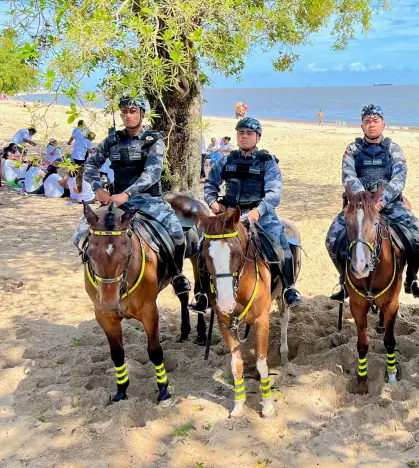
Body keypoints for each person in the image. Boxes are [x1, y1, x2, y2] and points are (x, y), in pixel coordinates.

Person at [71, 95, 191, 298]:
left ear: (142, 114)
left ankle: (178, 275)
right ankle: (98, 274)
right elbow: (91, 164)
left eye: (133, 111)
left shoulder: (154, 140)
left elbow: (152, 173)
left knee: (177, 234)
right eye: (125, 111)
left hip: (148, 201)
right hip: (115, 202)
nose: (128, 115)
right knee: (79, 234)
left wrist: (127, 194)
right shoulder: (112, 140)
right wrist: (98, 187)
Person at [325, 104, 419, 301]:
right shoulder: (353, 150)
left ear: (383, 124)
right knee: (331, 238)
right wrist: (364, 200)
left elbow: (399, 178)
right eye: (367, 122)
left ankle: (412, 278)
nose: (371, 125)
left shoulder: (393, 149)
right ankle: (344, 280)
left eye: (375, 121)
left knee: (417, 236)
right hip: (360, 206)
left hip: (389, 205)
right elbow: (348, 176)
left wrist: (380, 202)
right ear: (362, 126)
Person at [203, 117, 302, 308]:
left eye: (249, 133)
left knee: (279, 242)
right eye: (241, 133)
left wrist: (258, 212)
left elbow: (274, 193)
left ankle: (289, 288)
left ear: (257, 137)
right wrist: (212, 202)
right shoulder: (226, 160)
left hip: (259, 213)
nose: (244, 137)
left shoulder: (267, 161)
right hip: (230, 214)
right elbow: (210, 183)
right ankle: (203, 293)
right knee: (204, 244)